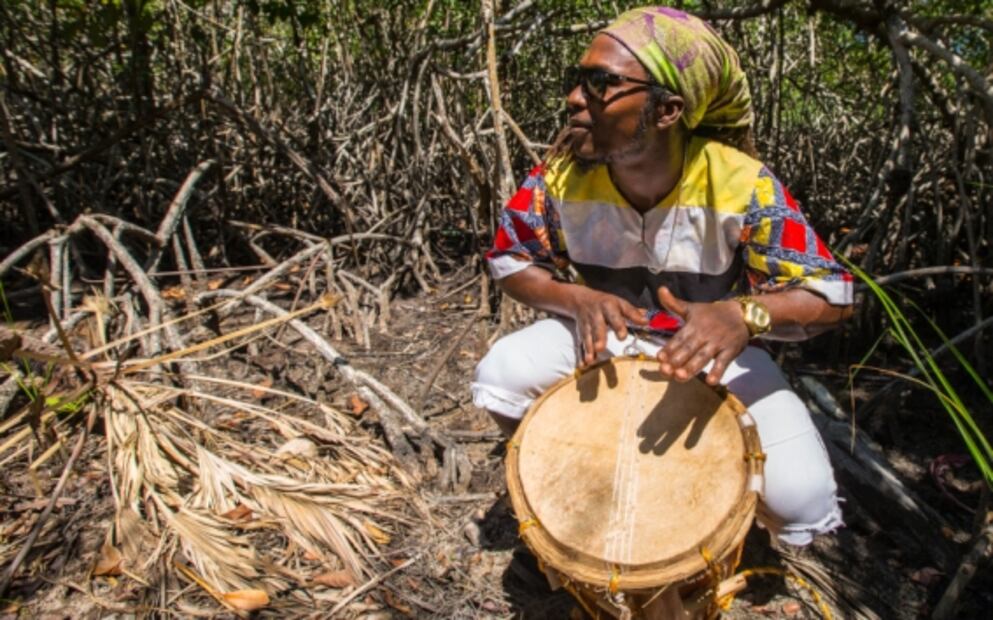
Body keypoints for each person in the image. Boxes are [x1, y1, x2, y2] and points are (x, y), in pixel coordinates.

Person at [471, 6, 854, 547]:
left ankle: (710, 528)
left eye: (601, 84)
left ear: (668, 110)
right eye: (577, 81)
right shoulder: (562, 174)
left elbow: (834, 295)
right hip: (611, 339)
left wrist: (744, 315)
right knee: (501, 377)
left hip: (715, 355)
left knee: (801, 502)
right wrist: (577, 298)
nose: (576, 99)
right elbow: (510, 260)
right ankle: (573, 490)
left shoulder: (739, 182)